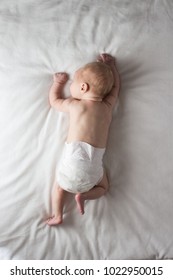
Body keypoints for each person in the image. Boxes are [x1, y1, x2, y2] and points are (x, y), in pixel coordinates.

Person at [46, 53, 120, 226]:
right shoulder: (107, 106)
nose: (71, 85)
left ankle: (58, 215)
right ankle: (85, 196)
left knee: (59, 188)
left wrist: (58, 83)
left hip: (73, 162)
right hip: (93, 169)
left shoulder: (75, 104)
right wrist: (112, 67)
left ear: (83, 88)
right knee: (103, 188)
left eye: (73, 83)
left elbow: (54, 101)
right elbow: (116, 88)